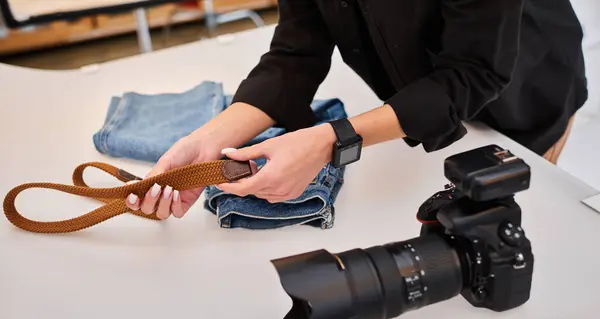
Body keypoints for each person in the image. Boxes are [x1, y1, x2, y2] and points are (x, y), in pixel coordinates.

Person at [126, 0, 588, 220]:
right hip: (427, 94)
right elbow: (297, 53)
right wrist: (208, 139)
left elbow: (474, 73)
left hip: (523, 93)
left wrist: (330, 141)